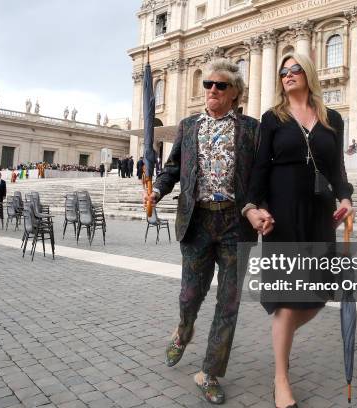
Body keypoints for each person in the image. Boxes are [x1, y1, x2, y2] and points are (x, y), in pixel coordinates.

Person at [144, 59, 260, 405]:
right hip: (197, 221)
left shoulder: (252, 130)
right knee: (189, 295)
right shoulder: (188, 125)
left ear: (235, 93)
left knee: (229, 303)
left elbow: (260, 176)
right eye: (208, 84)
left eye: (220, 85)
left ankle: (209, 372)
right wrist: (158, 190)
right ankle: (184, 329)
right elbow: (173, 167)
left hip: (234, 224)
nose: (212, 89)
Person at [243, 52, 354, 408]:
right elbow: (259, 169)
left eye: (295, 70)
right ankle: (281, 377)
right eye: (283, 72)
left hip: (320, 214)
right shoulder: (272, 118)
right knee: (288, 300)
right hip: (283, 214)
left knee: (318, 295)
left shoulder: (332, 118)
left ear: (307, 74)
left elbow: (337, 169)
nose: (288, 75)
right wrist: (254, 207)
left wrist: (346, 198)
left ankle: (282, 333)